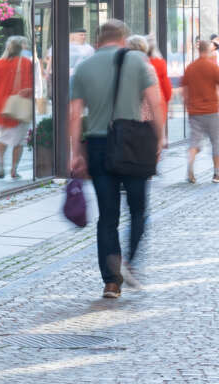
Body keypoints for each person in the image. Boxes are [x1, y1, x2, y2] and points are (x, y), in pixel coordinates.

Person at [68, 20, 167, 298]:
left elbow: (74, 114)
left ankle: (111, 281)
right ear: (123, 39)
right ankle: (130, 263)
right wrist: (159, 139)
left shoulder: (83, 68)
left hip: (99, 146)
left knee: (107, 216)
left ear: (98, 40)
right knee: (138, 209)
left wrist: (76, 152)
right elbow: (156, 102)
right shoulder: (138, 60)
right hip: (134, 142)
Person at [179, 38, 219, 182]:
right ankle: (216, 173)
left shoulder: (190, 68)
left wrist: (186, 104)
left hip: (194, 111)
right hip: (211, 110)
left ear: (198, 50)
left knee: (194, 142)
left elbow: (184, 90)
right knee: (215, 141)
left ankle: (190, 166)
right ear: (208, 50)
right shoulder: (212, 66)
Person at [0, 36, 36, 179]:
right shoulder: (27, 63)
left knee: (3, 137)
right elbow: (32, 85)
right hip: (19, 106)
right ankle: (14, 170)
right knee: (19, 140)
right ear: (21, 48)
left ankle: (0, 162)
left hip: (2, 108)